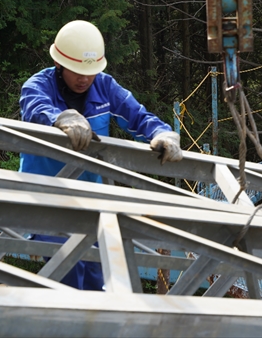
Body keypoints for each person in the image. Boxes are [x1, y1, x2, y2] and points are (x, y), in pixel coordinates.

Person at [19, 20, 183, 290]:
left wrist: (162, 133)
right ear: (59, 64)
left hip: (90, 203)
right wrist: (60, 117)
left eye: (90, 72)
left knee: (99, 275)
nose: (84, 79)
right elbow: (35, 109)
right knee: (67, 269)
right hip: (47, 202)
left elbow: (138, 115)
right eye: (77, 71)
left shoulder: (104, 87)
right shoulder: (37, 87)